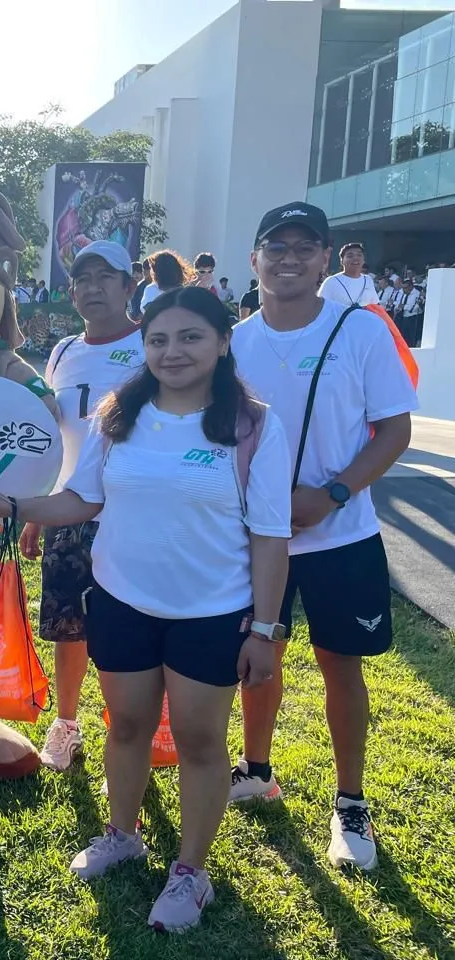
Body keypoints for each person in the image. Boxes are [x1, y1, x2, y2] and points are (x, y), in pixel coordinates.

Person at [0, 285, 291, 931]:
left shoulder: (254, 423)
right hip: (122, 601)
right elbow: (82, 500)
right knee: (125, 727)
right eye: (158, 340)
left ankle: (190, 873)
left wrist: (264, 628)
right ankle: (123, 833)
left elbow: (270, 534)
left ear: (222, 342)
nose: (172, 352)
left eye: (189, 337)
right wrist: (15, 507)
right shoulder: (119, 413)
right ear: (143, 346)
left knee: (202, 741)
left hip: (212, 610)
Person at [229, 201, 416, 872]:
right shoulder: (234, 340)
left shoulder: (360, 331)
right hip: (257, 539)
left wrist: (332, 494)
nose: (287, 258)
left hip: (342, 536)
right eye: (273, 246)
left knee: (343, 664)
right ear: (254, 260)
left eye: (303, 247)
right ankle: (255, 769)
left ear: (325, 260)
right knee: (258, 654)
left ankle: (351, 803)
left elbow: (395, 429)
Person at [26, 240, 145, 772]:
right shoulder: (62, 351)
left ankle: (134, 729)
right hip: (69, 513)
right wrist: (36, 510)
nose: (92, 287)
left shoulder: (153, 345)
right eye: (81, 279)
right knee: (67, 626)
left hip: (134, 516)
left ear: (129, 284)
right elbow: (51, 438)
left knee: (133, 629)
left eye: (105, 277)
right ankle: (67, 725)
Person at [319, 243, 379, 309]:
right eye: (350, 256)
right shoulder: (331, 281)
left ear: (363, 260)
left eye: (359, 255)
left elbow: (375, 305)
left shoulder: (368, 280)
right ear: (342, 261)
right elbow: (320, 307)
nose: (355, 258)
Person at [395, 277, 424, 347]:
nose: (403, 290)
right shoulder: (404, 294)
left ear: (411, 287)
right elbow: (398, 304)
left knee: (412, 337)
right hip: (404, 317)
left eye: (405, 288)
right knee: (404, 336)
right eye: (402, 288)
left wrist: (404, 307)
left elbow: (414, 308)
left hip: (413, 318)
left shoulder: (417, 294)